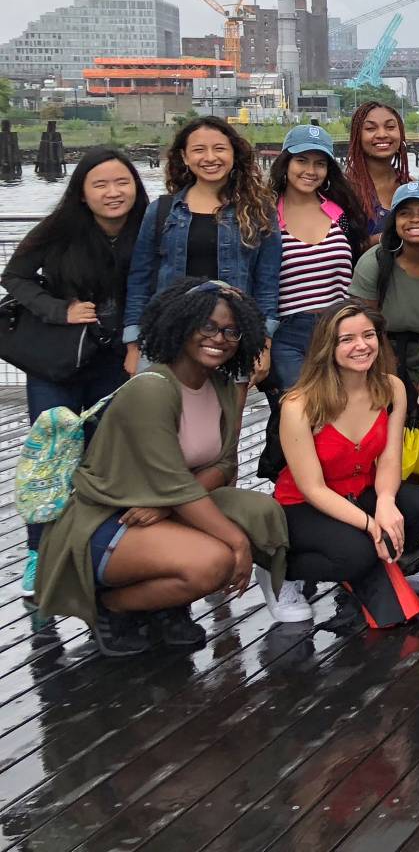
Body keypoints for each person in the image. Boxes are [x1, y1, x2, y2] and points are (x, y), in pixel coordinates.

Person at [35, 279, 287, 657]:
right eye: (207, 326)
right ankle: (111, 607)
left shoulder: (220, 386)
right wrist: (237, 544)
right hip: (107, 519)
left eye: (231, 331)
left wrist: (167, 507)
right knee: (214, 562)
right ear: (181, 324)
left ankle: (166, 604)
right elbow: (175, 485)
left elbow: (224, 463)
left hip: (161, 508)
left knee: (260, 510)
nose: (219, 338)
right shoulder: (151, 388)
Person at [268, 301, 419, 625]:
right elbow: (312, 488)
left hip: (361, 491)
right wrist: (371, 525)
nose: (361, 346)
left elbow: (390, 457)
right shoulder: (299, 404)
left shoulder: (392, 388)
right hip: (304, 504)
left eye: (368, 335)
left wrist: (386, 502)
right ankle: (279, 568)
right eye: (347, 339)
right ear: (327, 347)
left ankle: (365, 561)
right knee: (357, 553)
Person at [122, 116, 280, 381]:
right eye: (198, 150)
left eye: (219, 148)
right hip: (168, 336)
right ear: (184, 157)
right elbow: (140, 279)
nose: (210, 158)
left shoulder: (258, 211)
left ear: (234, 154)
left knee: (224, 410)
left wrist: (263, 343)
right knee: (162, 408)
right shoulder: (162, 211)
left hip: (231, 338)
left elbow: (267, 283)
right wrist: (133, 343)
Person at [4, 146, 146, 419]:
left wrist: (137, 345)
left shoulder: (150, 228)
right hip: (58, 356)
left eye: (122, 182)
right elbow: (14, 275)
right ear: (82, 193)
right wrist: (60, 310)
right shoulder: (58, 228)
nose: (113, 192)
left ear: (136, 187)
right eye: (100, 185)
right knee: (53, 441)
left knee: (107, 441)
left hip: (118, 360)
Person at [268, 125, 369, 391]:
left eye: (320, 164)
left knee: (342, 406)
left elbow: (359, 265)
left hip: (339, 329)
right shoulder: (267, 216)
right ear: (286, 163)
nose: (310, 171)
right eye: (301, 161)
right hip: (288, 335)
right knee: (297, 407)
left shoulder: (340, 213)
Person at [346, 181, 419, 389]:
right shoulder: (374, 262)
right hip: (381, 357)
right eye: (404, 213)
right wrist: (393, 385)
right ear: (394, 222)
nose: (415, 219)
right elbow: (368, 325)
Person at [344, 100, 412, 237]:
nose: (382, 134)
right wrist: (386, 239)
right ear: (357, 137)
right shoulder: (344, 189)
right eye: (370, 128)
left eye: (390, 127)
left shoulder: (411, 186)